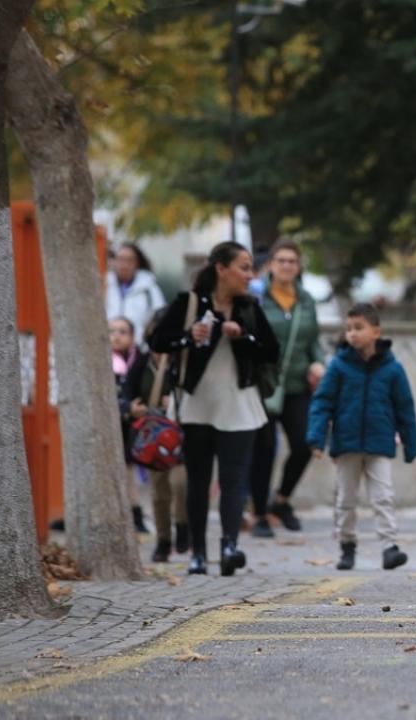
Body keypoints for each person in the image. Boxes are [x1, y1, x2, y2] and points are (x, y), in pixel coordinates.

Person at [148, 242, 280, 576]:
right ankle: (198, 553)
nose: (250, 275)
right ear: (221, 269)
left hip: (239, 404)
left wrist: (242, 336)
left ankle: (229, 547)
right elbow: (158, 341)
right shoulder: (189, 302)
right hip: (198, 405)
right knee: (198, 480)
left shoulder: (249, 307)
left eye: (251, 268)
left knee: (234, 481)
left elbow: (270, 351)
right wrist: (190, 336)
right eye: (244, 267)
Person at [307, 303, 416, 571]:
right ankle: (347, 545)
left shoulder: (393, 369)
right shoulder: (338, 367)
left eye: (359, 328)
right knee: (346, 499)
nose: (352, 334)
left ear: (376, 331)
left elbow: (405, 407)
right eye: (348, 329)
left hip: (379, 443)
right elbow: (322, 402)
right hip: (346, 444)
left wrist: (411, 442)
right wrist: (316, 437)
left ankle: (389, 547)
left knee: (383, 496)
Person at [248, 240, 326, 538]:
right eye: (281, 260)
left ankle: (281, 500)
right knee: (263, 450)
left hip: (297, 385)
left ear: (298, 266)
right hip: (266, 386)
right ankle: (259, 514)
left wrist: (318, 364)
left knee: (306, 443)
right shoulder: (257, 298)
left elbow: (314, 341)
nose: (286, 266)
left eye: (292, 261)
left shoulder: (306, 300)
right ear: (271, 265)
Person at [121, 308, 189, 562]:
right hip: (153, 436)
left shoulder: (183, 360)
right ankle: (163, 540)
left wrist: (177, 400)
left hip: (181, 433)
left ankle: (183, 526)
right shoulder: (143, 359)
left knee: (181, 485)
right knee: (159, 491)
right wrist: (132, 408)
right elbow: (126, 392)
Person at [110, 316, 149, 533]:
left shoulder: (140, 360)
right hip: (111, 424)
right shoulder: (103, 360)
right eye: (112, 330)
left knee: (128, 468)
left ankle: (136, 515)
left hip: (134, 426)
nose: (116, 336)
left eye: (122, 331)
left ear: (133, 337)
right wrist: (126, 407)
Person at [105, 243, 166, 349]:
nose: (124, 265)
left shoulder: (148, 288)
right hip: (107, 349)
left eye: (129, 260)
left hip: (138, 351)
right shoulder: (104, 285)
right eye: (120, 259)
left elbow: (160, 315)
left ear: (137, 263)